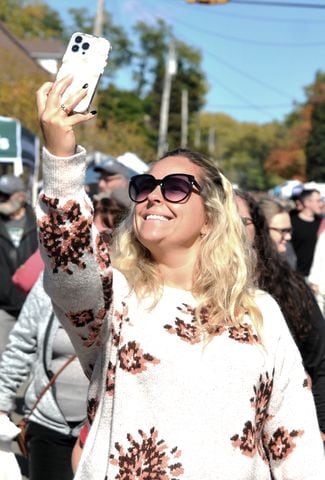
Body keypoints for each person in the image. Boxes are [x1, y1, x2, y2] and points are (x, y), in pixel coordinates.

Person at [35, 76, 325, 479]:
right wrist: (60, 156)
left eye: (174, 187)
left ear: (210, 215)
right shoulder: (116, 295)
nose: (153, 195)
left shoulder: (259, 311)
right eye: (144, 185)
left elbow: (295, 439)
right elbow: (68, 262)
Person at [236, 190, 325, 442]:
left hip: (290, 424)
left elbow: (318, 358)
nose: (287, 238)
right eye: (281, 231)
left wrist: (320, 424)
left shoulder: (290, 287)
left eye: (289, 231)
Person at [0, 274, 89, 480]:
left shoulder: (126, 280)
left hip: (101, 429)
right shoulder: (49, 279)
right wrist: (2, 402)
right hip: (48, 425)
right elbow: (21, 344)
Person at [0, 174, 38, 357]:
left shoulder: (38, 221)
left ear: (21, 197)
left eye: (5, 195)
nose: (1, 199)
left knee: (33, 362)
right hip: (3, 309)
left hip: (34, 307)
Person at [290, 188, 323, 277]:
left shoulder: (321, 223)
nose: (321, 204)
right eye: (318, 201)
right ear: (307, 203)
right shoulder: (291, 221)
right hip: (296, 274)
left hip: (316, 276)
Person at [258, 196, 296, 269]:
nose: (288, 237)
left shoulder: (288, 253)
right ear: (262, 229)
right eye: (283, 231)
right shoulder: (244, 270)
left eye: (289, 230)